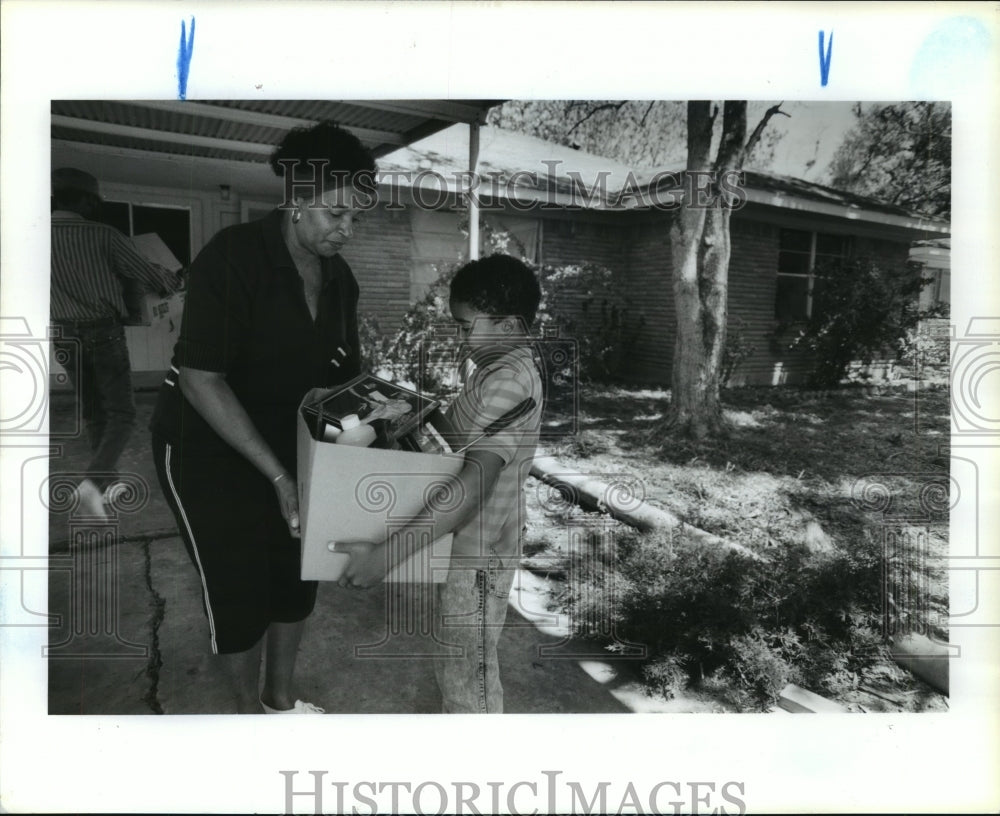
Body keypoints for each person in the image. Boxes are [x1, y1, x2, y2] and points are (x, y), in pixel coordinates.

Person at [150, 122, 377, 714]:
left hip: (287, 438)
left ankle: (279, 700)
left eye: (356, 216)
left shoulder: (340, 280)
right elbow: (203, 377)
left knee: (296, 569)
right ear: (297, 202)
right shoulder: (234, 257)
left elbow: (340, 378)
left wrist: (378, 419)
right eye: (335, 214)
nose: (346, 230)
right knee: (239, 582)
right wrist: (278, 479)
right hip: (204, 444)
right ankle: (245, 722)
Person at [337, 254, 544, 713]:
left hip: (480, 551)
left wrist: (383, 558)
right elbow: (457, 441)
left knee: (468, 678)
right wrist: (408, 413)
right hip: (470, 546)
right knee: (459, 662)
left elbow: (471, 485)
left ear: (508, 326)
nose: (460, 337)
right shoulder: (495, 369)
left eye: (467, 326)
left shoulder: (510, 382)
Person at [50, 167, 183, 519]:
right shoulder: (102, 235)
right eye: (93, 201)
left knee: (94, 411)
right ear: (83, 200)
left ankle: (104, 487)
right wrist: (174, 280)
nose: (96, 207)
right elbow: (152, 275)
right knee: (123, 413)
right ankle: (93, 485)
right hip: (101, 332)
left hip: (62, 332)